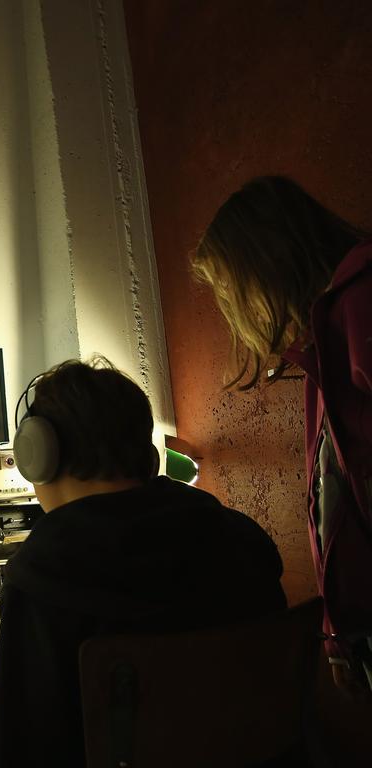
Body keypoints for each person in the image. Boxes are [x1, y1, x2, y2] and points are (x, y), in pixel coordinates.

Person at [0, 357, 288, 767]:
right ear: (145, 454)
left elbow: (18, 761)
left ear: (36, 454)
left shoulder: (45, 572)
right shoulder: (239, 535)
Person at [192, 175, 372, 694]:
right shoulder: (322, 338)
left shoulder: (360, 307)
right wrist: (340, 634)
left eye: (231, 289)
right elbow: (337, 490)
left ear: (264, 265)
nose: (237, 312)